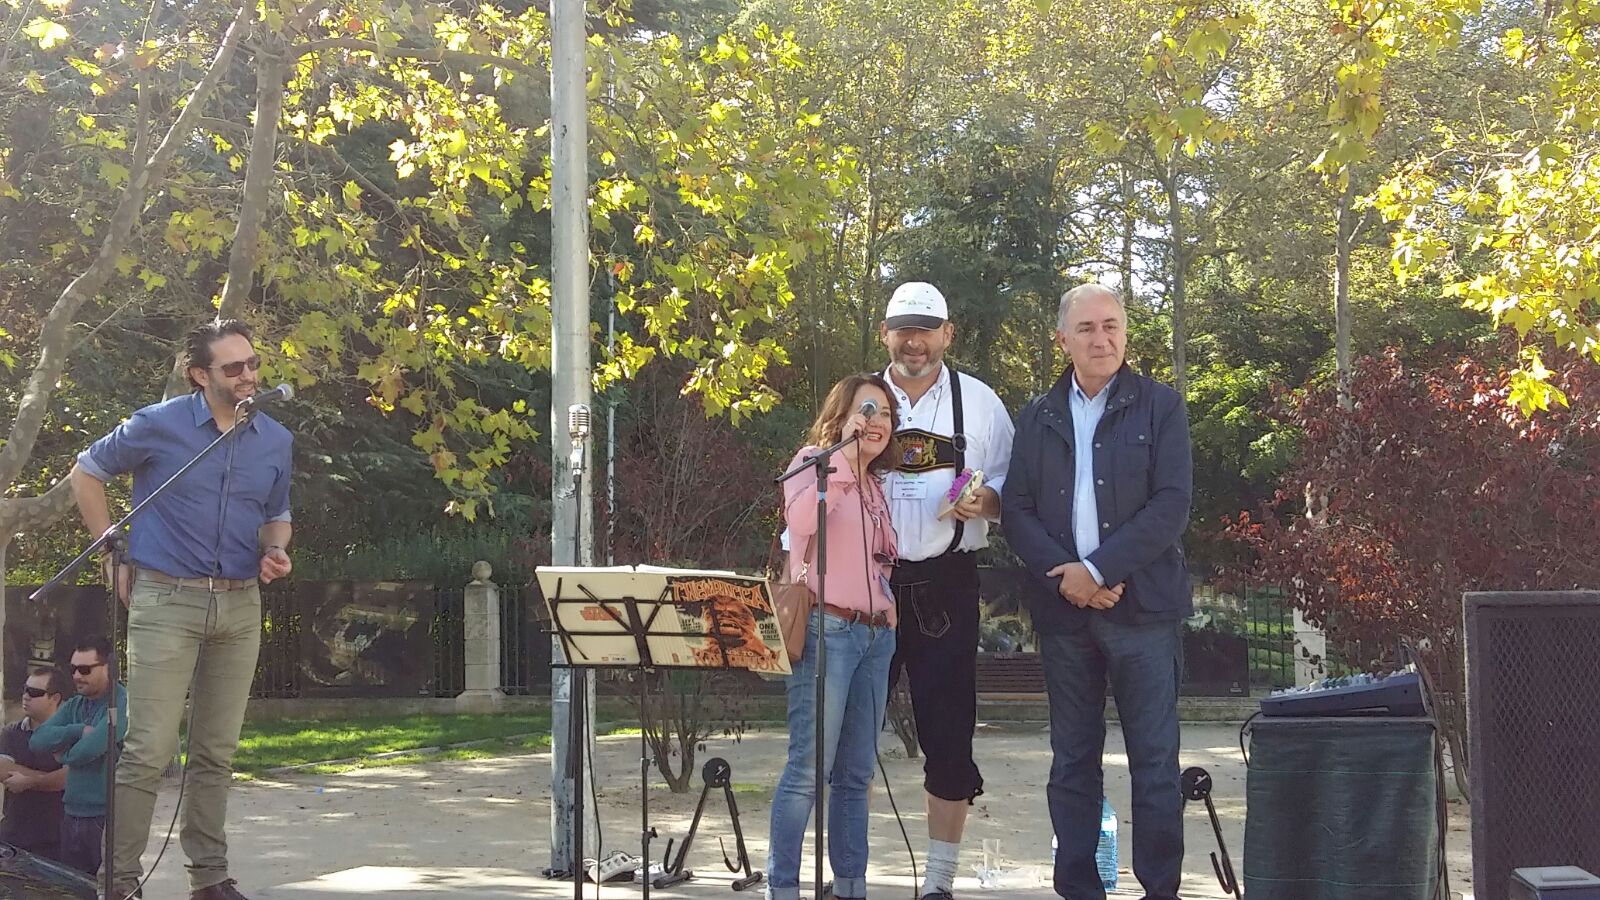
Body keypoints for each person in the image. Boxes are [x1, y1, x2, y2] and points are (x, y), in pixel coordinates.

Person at [69, 319, 294, 900]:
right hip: (165, 600)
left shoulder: (274, 439)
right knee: (148, 750)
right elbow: (86, 472)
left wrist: (276, 551)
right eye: (233, 367)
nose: (248, 375)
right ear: (199, 375)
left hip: (240, 605)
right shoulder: (158, 424)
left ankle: (210, 879)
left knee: (216, 753)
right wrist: (110, 555)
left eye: (253, 363)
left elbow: (277, 514)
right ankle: (118, 884)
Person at [1001, 283, 1193, 900]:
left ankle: (1160, 889)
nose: (1101, 338)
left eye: (1111, 325)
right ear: (1063, 339)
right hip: (1066, 614)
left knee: (1155, 764)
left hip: (1145, 613)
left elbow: (1171, 505)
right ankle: (1078, 888)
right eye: (1086, 328)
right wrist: (1070, 577)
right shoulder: (1037, 416)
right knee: (1073, 761)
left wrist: (1099, 570)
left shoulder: (1162, 407)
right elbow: (1016, 510)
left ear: (1125, 333)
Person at [877, 281, 1013, 900]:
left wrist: (990, 501)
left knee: (950, 735)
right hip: (869, 584)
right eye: (904, 329)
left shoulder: (980, 403)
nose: (915, 341)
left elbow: (1017, 481)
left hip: (948, 583)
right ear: (885, 334)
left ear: (947, 334)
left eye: (926, 329)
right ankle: (845, 874)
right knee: (846, 735)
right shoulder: (860, 399)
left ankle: (938, 883)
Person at [768, 374, 901, 900]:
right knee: (808, 769)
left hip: (875, 638)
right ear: (841, 416)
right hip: (828, 630)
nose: (877, 422)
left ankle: (850, 886)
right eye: (867, 411)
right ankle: (783, 888)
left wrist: (888, 606)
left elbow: (881, 557)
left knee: (856, 774)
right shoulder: (813, 462)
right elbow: (802, 522)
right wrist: (841, 458)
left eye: (886, 413)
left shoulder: (876, 484)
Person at [29, 637, 128, 877]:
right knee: (71, 888)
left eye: (85, 669)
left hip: (106, 817)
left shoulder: (122, 704)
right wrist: (77, 730)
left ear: (108, 667)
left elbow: (89, 750)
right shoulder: (75, 705)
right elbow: (37, 740)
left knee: (111, 887)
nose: (76, 676)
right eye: (73, 668)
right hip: (72, 813)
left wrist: (63, 755)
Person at [0, 666, 70, 860]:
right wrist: (51, 779)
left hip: (57, 840)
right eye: (25, 689)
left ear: (55, 698)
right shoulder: (11, 733)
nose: (26, 696)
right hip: (13, 838)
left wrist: (28, 781)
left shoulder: (69, 734)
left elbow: (70, 778)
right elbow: (2, 769)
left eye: (34, 692)